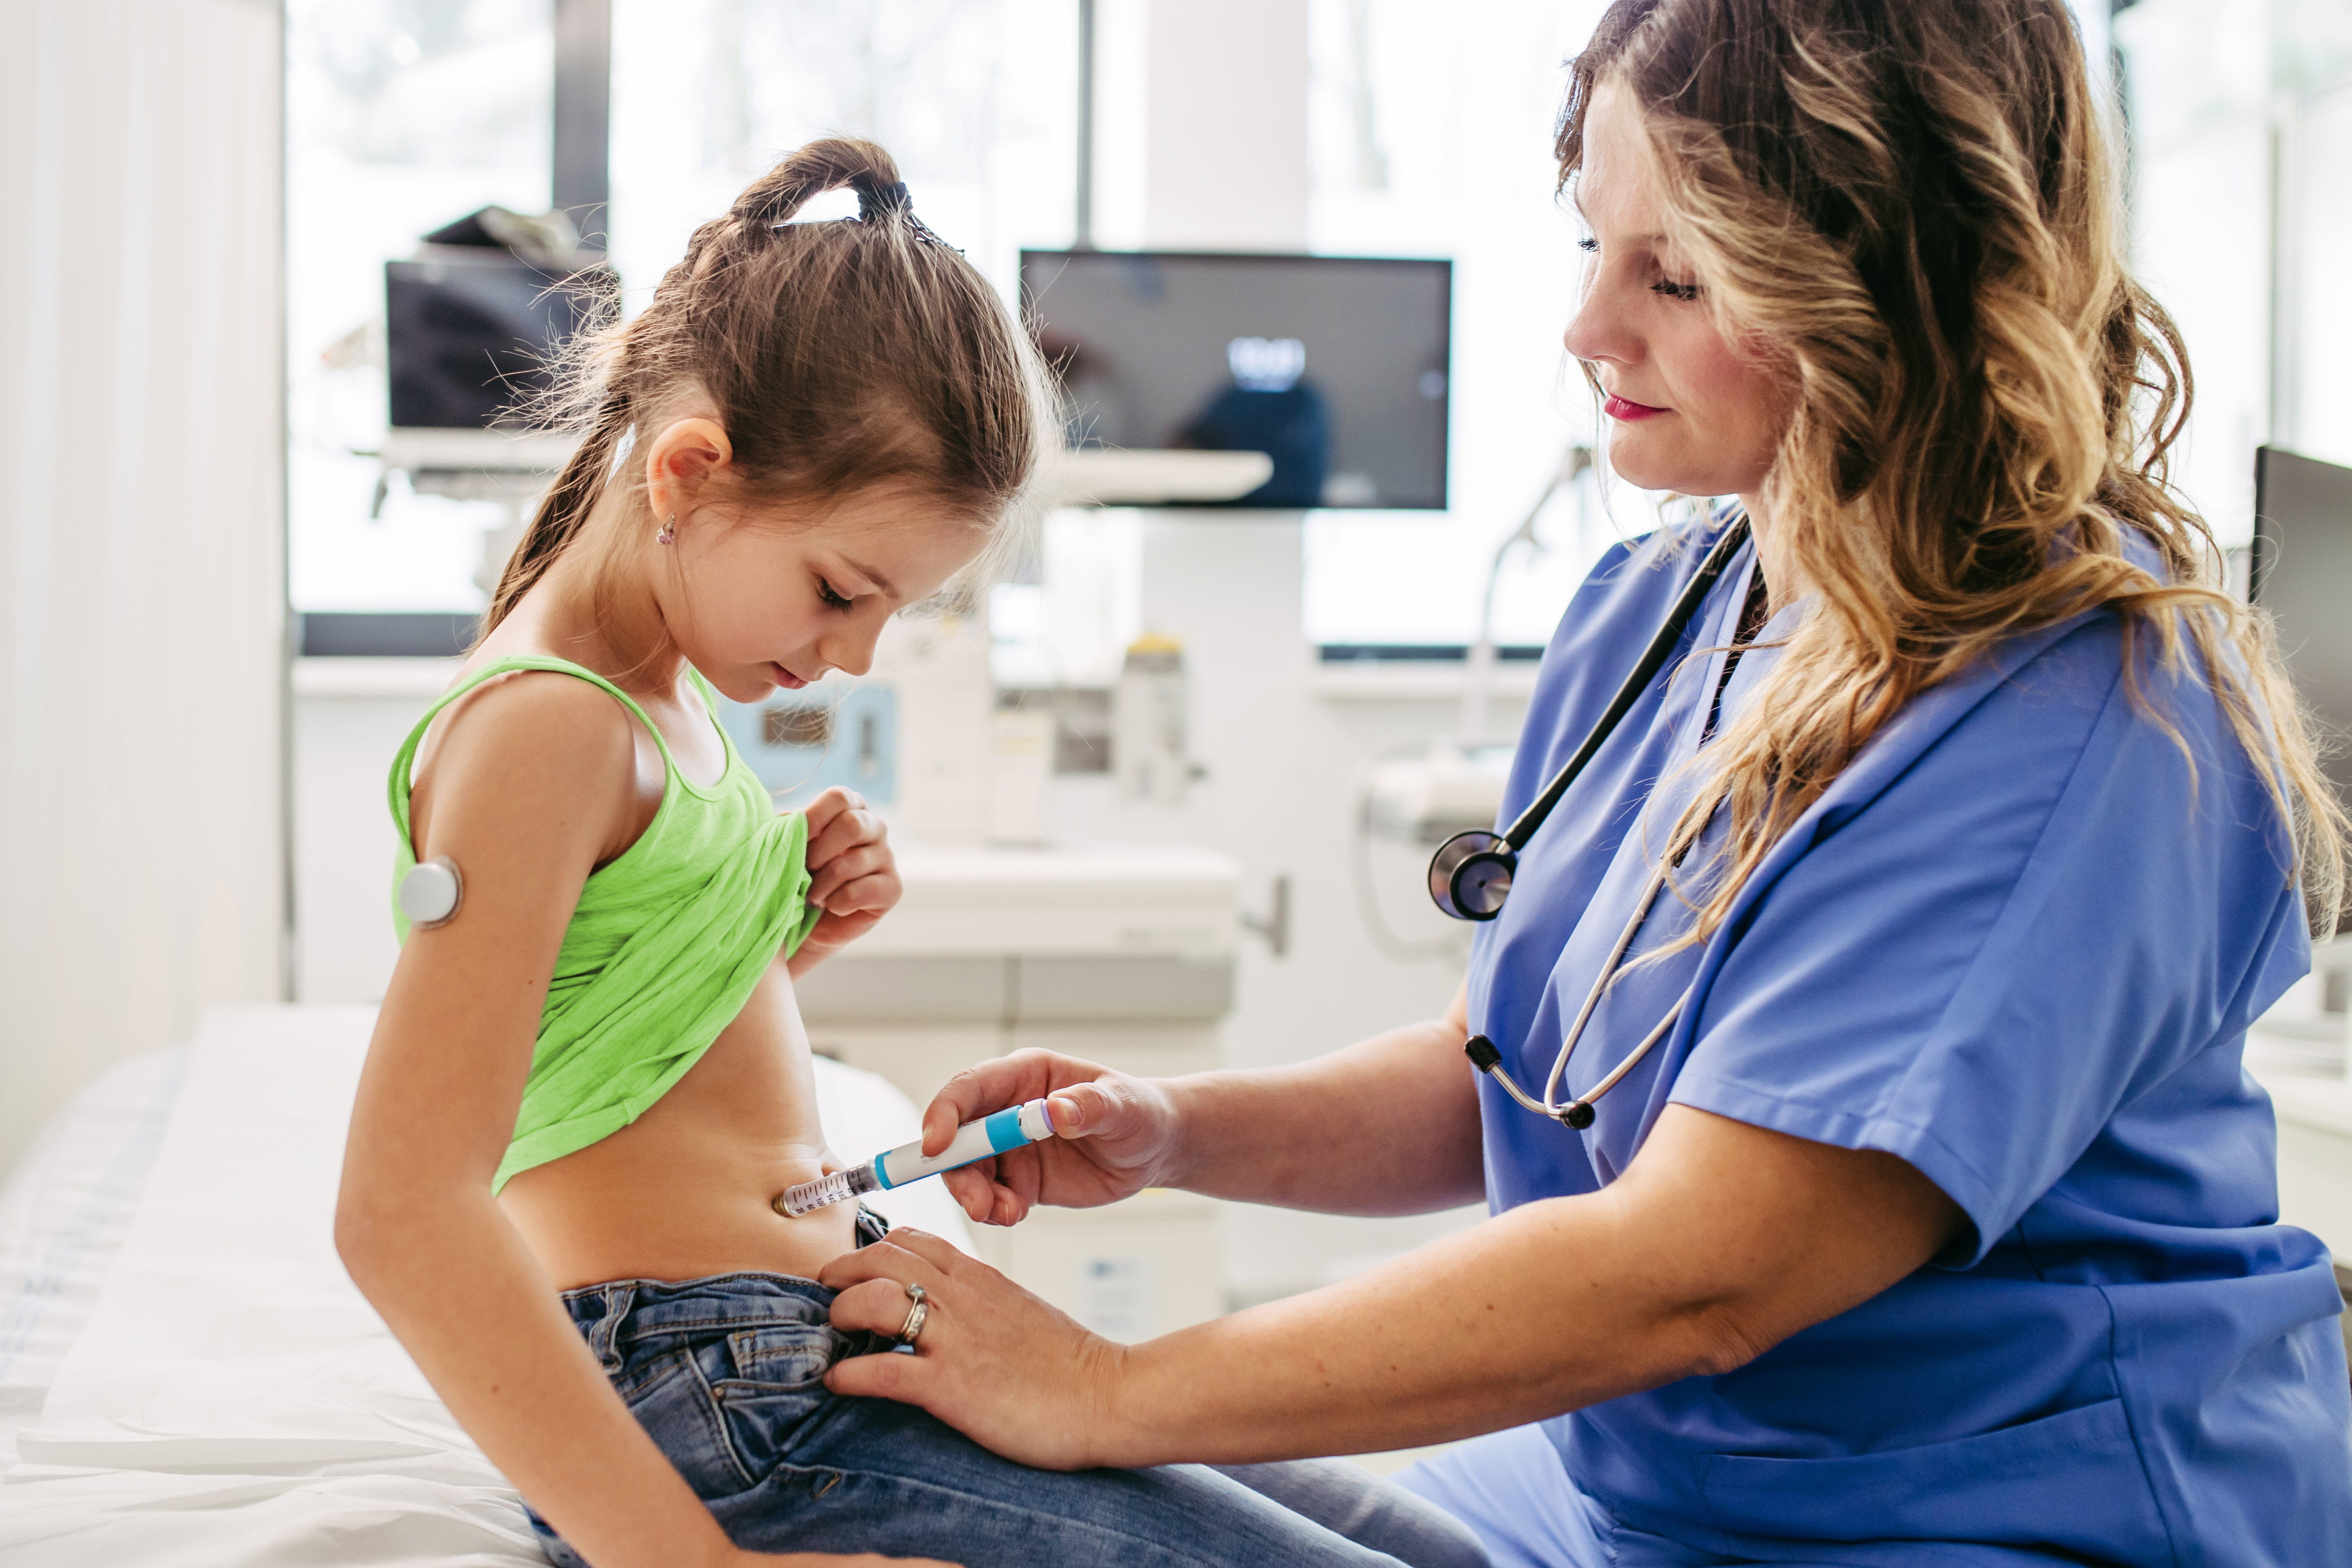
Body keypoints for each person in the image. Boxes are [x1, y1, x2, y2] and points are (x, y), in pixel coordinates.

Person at [812, 5, 2352, 1565]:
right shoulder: (1667, 605)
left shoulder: (2073, 704)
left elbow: (1699, 1268)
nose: (1586, 328)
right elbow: (1530, 1073)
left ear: (1898, 282)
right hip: (1658, 1482)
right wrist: (1173, 1128)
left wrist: (1105, 1384)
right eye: (1592, 244)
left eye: (1675, 275)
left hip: (1981, 1514)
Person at [335, 139, 1486, 1568]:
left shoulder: (655, 692)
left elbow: (597, 1034)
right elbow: (398, 1211)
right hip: (720, 1402)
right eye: (840, 590)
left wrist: (767, 931)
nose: (853, 659)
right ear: (690, 468)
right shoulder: (547, 728)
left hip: (809, 1346)